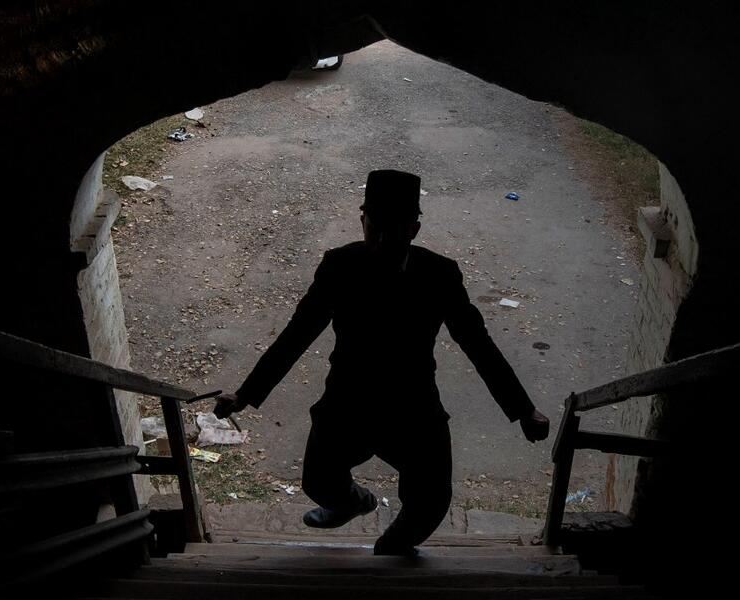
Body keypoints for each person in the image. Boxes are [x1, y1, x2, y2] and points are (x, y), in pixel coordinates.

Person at [214, 169, 550, 556]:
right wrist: (245, 394)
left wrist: (522, 409)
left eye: (395, 229)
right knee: (318, 483)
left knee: (430, 503)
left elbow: (478, 343)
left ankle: (387, 554)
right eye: (375, 228)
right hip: (348, 401)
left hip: (413, 406)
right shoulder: (338, 266)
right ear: (362, 223)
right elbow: (297, 334)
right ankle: (351, 503)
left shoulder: (440, 275)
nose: (384, 239)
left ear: (415, 230)